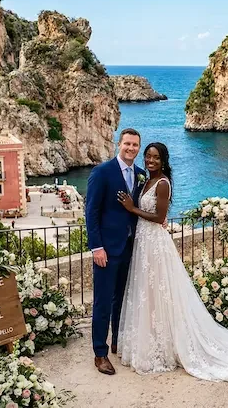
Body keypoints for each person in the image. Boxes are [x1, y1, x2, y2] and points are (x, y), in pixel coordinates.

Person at [114, 141, 228, 384]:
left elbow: (159, 217)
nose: (150, 160)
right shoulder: (146, 180)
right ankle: (151, 340)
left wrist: (131, 209)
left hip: (155, 243)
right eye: (148, 156)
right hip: (144, 242)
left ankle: (165, 343)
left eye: (156, 157)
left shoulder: (162, 183)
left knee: (160, 292)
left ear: (164, 161)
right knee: (147, 293)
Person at [86, 128, 148, 375]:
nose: (131, 148)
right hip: (107, 250)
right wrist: (97, 247)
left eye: (135, 145)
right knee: (103, 302)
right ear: (118, 144)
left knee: (121, 299)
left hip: (130, 248)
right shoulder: (102, 172)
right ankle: (99, 353)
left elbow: (139, 208)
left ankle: (117, 341)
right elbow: (91, 212)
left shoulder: (141, 174)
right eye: (127, 144)